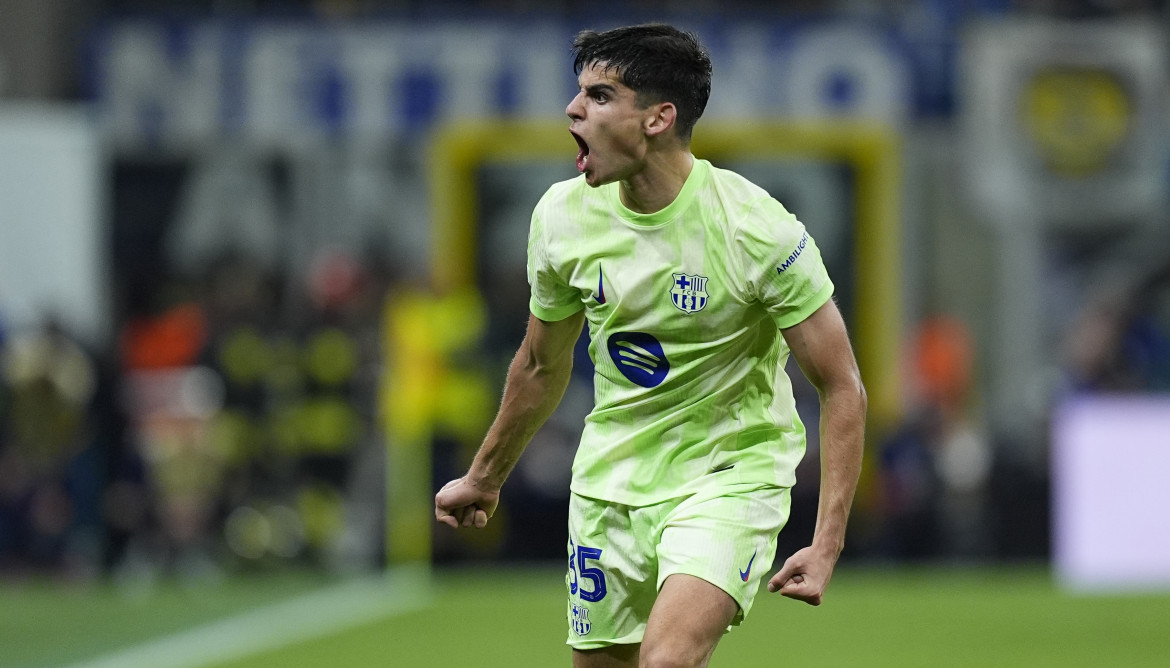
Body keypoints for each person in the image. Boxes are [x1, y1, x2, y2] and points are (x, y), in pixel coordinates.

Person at [435, 24, 866, 668]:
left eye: (600, 96)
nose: (573, 110)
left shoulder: (756, 229)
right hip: (611, 483)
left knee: (665, 661)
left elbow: (841, 385)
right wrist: (484, 476)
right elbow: (538, 364)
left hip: (730, 477)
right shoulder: (561, 217)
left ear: (659, 118)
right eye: (578, 93)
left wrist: (826, 543)